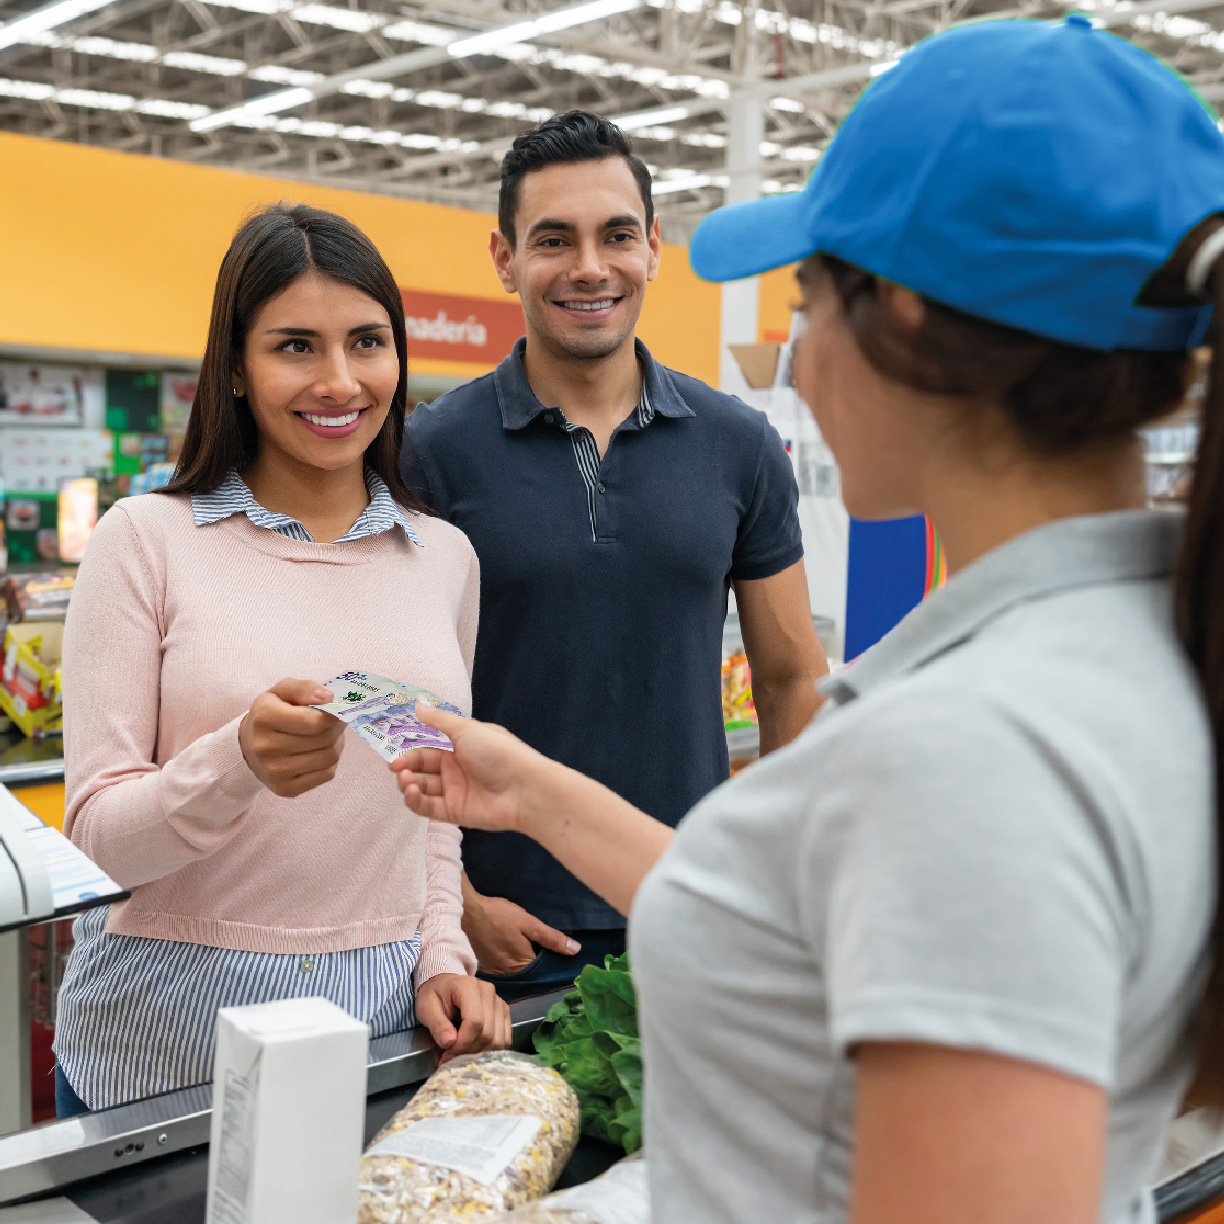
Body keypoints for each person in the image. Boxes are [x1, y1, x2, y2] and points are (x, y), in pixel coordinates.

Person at [390, 18, 1224, 1223]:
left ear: (908, 322)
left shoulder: (963, 752)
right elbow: (797, 934)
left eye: (808, 298)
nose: (793, 350)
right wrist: (529, 791)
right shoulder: (1145, 650)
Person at [53, 203, 508, 1117]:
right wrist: (235, 764)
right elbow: (96, 844)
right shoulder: (146, 542)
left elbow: (431, 804)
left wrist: (442, 958)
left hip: (379, 1035)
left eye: (367, 343)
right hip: (164, 1047)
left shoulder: (445, 559)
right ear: (233, 368)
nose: (339, 382)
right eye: (295, 346)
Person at [402, 110, 828, 998]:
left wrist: (778, 881)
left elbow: (791, 679)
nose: (590, 268)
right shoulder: (432, 451)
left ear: (654, 247)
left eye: (617, 235)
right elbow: (392, 702)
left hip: (691, 906)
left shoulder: (738, 446)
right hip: (501, 932)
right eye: (553, 240)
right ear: (504, 258)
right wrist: (453, 901)